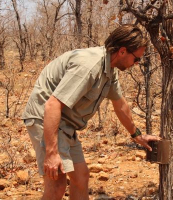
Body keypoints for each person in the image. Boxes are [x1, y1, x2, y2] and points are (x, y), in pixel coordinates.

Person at [22, 24, 161, 200]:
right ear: (123, 51)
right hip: (45, 118)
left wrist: (137, 135)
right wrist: (51, 153)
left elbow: (120, 104)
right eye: (137, 59)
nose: (137, 64)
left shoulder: (110, 69)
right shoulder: (89, 66)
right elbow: (53, 105)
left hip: (66, 124)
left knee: (81, 178)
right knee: (57, 185)